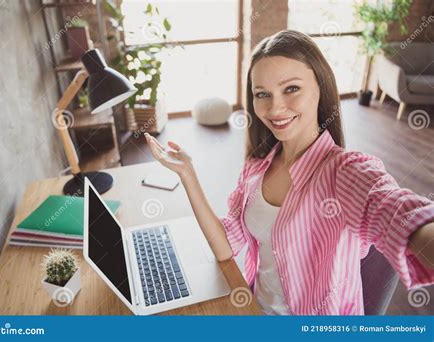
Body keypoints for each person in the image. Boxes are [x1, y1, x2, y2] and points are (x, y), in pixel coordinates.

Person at [144, 30, 434, 315]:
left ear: (321, 88)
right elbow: (225, 246)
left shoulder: (346, 171)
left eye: (291, 89)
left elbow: (396, 211)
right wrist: (188, 175)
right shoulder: (257, 168)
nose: (275, 107)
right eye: (262, 94)